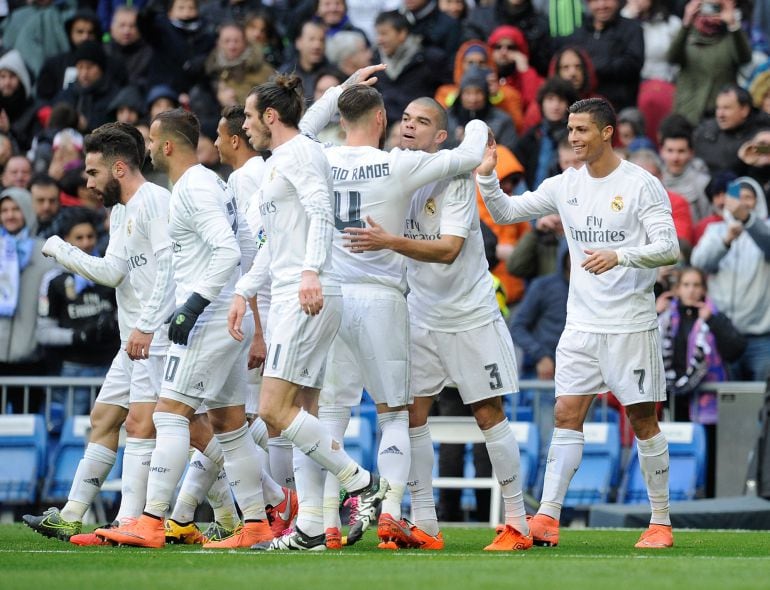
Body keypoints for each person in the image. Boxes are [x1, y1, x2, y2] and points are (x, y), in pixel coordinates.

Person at [476, 97, 679, 549]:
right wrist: (488, 176)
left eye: (582, 130)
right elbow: (508, 212)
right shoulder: (566, 184)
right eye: (570, 130)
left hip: (630, 323)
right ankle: (547, 517)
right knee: (567, 414)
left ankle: (661, 521)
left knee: (643, 419)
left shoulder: (642, 185)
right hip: (581, 325)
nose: (573, 138)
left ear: (608, 132)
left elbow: (669, 248)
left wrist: (621, 254)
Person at [297, 73, 489, 548]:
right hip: (382, 298)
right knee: (395, 416)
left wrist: (335, 91)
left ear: (341, 120)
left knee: (333, 415)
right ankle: (392, 512)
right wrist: (481, 123)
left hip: (334, 296)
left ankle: (325, 523)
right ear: (382, 118)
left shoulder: (318, 157)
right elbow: (469, 155)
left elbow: (299, 131)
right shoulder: (396, 164)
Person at [340, 95, 531, 551]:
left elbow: (448, 249)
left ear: (441, 137)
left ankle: (518, 523)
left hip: (469, 315)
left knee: (488, 414)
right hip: (419, 314)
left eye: (422, 122)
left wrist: (389, 240)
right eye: (405, 118)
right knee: (410, 417)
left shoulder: (455, 177)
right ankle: (425, 522)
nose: (409, 126)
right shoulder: (391, 171)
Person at [228, 73, 389, 551]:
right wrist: (244, 291)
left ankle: (359, 481)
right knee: (303, 415)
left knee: (274, 411)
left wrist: (311, 272)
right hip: (296, 292)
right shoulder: (282, 159)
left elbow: (322, 212)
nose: (246, 126)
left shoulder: (300, 154)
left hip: (306, 296)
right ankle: (314, 527)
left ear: (270, 117)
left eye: (251, 117)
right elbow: (270, 245)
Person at [95, 108, 267, 550]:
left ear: (167, 145)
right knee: (229, 423)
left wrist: (192, 306)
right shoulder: (213, 183)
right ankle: (255, 524)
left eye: (152, 142)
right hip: (229, 316)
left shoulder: (191, 188)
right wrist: (243, 303)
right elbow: (249, 245)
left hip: (207, 319)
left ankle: (151, 520)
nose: (148, 148)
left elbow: (229, 251)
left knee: (169, 414)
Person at [22, 122, 175, 545]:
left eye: (92, 173)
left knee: (165, 427)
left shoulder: (155, 202)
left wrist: (147, 325)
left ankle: (259, 503)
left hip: (156, 337)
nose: (87, 182)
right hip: (135, 340)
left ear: (119, 168)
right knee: (104, 418)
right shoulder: (122, 210)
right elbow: (113, 272)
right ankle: (73, 515)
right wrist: (64, 251)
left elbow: (169, 270)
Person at [656, 266, 745, 496]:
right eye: (686, 285)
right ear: (677, 289)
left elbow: (736, 349)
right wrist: (655, 314)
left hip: (708, 406)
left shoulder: (713, 315)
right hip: (676, 402)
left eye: (696, 285)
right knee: (676, 456)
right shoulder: (665, 316)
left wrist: (713, 321)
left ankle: (708, 501)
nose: (691, 290)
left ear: (704, 289)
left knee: (710, 456)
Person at [36, 210, 120, 420]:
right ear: (66, 241)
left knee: (111, 429)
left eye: (90, 236)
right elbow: (43, 332)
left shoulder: (109, 273)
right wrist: (78, 335)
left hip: (111, 367)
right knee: (71, 430)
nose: (86, 243)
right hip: (73, 369)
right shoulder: (54, 280)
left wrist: (115, 323)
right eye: (79, 238)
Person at [691, 176, 770, 382]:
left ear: (758, 201)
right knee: (727, 404)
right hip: (722, 335)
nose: (742, 203)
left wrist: (747, 221)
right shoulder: (715, 231)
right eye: (738, 197)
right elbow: (699, 263)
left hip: (761, 339)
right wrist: (726, 240)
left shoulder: (766, 228)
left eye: (749, 197)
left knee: (763, 403)